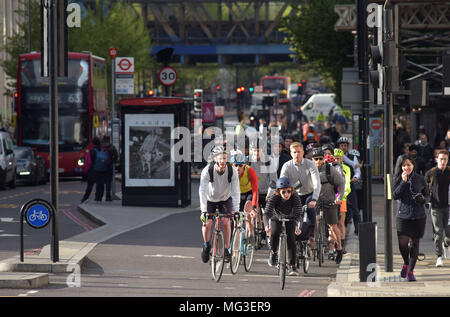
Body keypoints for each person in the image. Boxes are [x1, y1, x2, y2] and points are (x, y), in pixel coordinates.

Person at [269, 142, 321, 237]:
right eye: (294, 152)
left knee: (310, 209)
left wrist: (314, 199)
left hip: (309, 193)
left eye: (299, 152)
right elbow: (282, 183)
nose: (297, 154)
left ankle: (311, 236)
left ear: (303, 152)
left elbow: (317, 182)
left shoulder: (310, 164)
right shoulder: (287, 166)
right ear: (291, 153)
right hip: (294, 194)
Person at [199, 145, 240, 264]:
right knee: (208, 223)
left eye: (225, 158)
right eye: (220, 158)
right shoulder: (207, 170)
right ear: (215, 159)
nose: (223, 161)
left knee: (226, 222)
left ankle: (226, 249)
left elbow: (235, 191)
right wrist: (203, 210)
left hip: (224, 199)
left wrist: (236, 210)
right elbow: (202, 190)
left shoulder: (232, 171)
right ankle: (206, 246)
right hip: (210, 199)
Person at [393, 155, 430, 282]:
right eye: (404, 165)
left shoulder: (420, 178)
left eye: (409, 165)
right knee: (402, 244)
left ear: (413, 165)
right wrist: (403, 182)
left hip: (419, 216)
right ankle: (406, 262)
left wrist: (424, 200)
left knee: (415, 243)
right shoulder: (398, 178)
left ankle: (410, 272)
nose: (406, 167)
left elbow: (427, 195)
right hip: (403, 216)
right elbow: (395, 195)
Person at [311, 148, 346, 264]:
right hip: (315, 201)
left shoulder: (329, 170)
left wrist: (339, 198)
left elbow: (341, 183)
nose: (318, 161)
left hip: (330, 201)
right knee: (314, 221)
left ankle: (339, 248)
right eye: (316, 159)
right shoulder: (309, 170)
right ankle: (313, 243)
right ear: (312, 160)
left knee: (333, 226)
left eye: (320, 159)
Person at [264, 177, 303, 276]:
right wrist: (266, 226)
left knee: (291, 238)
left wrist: (298, 226)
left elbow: (299, 213)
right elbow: (267, 213)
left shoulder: (295, 197)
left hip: (291, 218)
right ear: (278, 192)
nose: (286, 194)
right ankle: (273, 253)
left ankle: (292, 265)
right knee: (274, 233)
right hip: (276, 217)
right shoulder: (274, 197)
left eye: (289, 191)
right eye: (284, 192)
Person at [424, 150, 450, 267]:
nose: (443, 161)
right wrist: (426, 200)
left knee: (448, 232)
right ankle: (439, 256)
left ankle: (446, 244)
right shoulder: (431, 173)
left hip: (448, 206)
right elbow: (423, 186)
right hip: (435, 207)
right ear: (436, 159)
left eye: (445, 159)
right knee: (438, 232)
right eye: (441, 159)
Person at [231, 149, 259, 244]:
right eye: (235, 165)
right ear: (232, 165)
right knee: (235, 221)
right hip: (236, 194)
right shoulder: (230, 171)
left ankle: (250, 232)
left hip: (248, 193)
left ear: (244, 165)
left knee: (247, 213)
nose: (238, 168)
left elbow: (255, 190)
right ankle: (235, 243)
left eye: (240, 165)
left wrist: (254, 207)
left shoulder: (250, 171)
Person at [333, 148, 351, 252]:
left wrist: (343, 194)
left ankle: (342, 243)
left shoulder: (346, 168)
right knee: (332, 223)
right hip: (331, 197)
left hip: (341, 198)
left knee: (340, 222)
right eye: (335, 158)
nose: (337, 160)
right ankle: (334, 243)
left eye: (339, 158)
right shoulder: (330, 168)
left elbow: (347, 184)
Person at [85, 137, 111, 202]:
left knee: (90, 186)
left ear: (93, 143)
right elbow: (108, 160)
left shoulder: (92, 151)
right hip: (103, 170)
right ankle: (99, 198)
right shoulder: (104, 150)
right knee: (100, 185)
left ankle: (85, 198)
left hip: (93, 170)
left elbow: (88, 162)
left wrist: (87, 170)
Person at [102, 136, 118, 201]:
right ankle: (108, 196)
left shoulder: (101, 147)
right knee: (108, 182)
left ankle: (98, 196)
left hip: (101, 167)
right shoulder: (112, 147)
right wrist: (112, 161)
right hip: (109, 166)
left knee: (100, 182)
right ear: (109, 140)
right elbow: (116, 157)